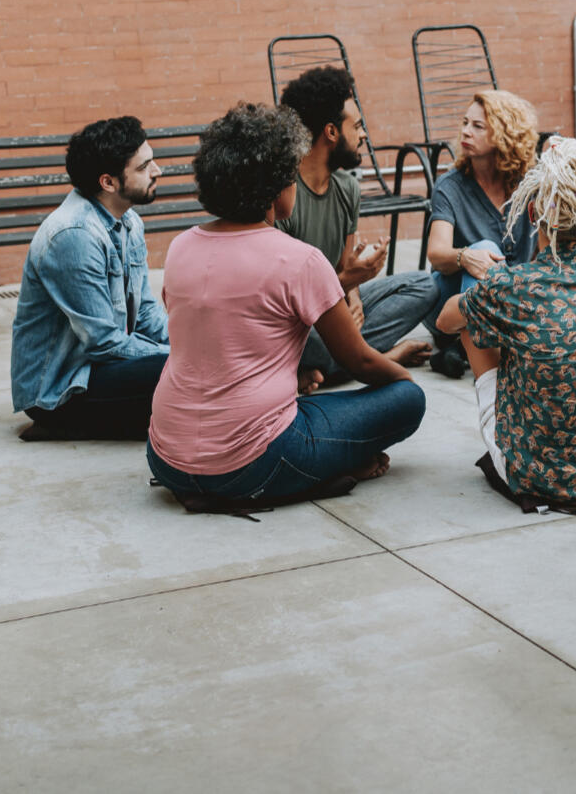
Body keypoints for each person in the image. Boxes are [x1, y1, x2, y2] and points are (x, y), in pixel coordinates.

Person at [147, 103, 426, 504]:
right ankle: (322, 470)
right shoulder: (299, 259)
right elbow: (359, 362)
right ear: (277, 189)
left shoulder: (180, 247)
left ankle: (317, 467)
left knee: (304, 403)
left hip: (166, 459)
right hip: (253, 463)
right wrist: (404, 381)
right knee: (406, 400)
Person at [436, 137, 576, 506]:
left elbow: (446, 322)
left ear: (531, 215)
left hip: (539, 475)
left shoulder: (510, 286)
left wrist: (483, 301)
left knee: (472, 328)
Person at [10, 116, 170, 440]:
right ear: (108, 183)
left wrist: (193, 344)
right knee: (185, 373)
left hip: (102, 367)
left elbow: (147, 314)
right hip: (61, 389)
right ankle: (63, 424)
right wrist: (182, 357)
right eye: (144, 167)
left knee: (204, 367)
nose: (158, 171)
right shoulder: (74, 235)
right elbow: (104, 343)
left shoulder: (128, 221)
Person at [277, 66, 439, 385]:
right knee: (312, 341)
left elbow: (343, 267)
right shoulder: (283, 195)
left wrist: (353, 296)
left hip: (333, 306)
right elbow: (285, 303)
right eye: (358, 126)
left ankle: (341, 362)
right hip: (300, 320)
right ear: (331, 132)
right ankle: (372, 359)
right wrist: (346, 283)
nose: (364, 135)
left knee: (424, 285)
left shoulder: (347, 188)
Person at [425, 89, 539, 377]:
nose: (465, 131)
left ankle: (461, 352)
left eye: (477, 126)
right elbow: (436, 254)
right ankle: (484, 358)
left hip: (510, 299)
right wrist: (466, 256)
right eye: (465, 123)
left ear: (505, 134)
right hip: (450, 300)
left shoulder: (528, 184)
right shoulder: (450, 186)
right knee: (485, 245)